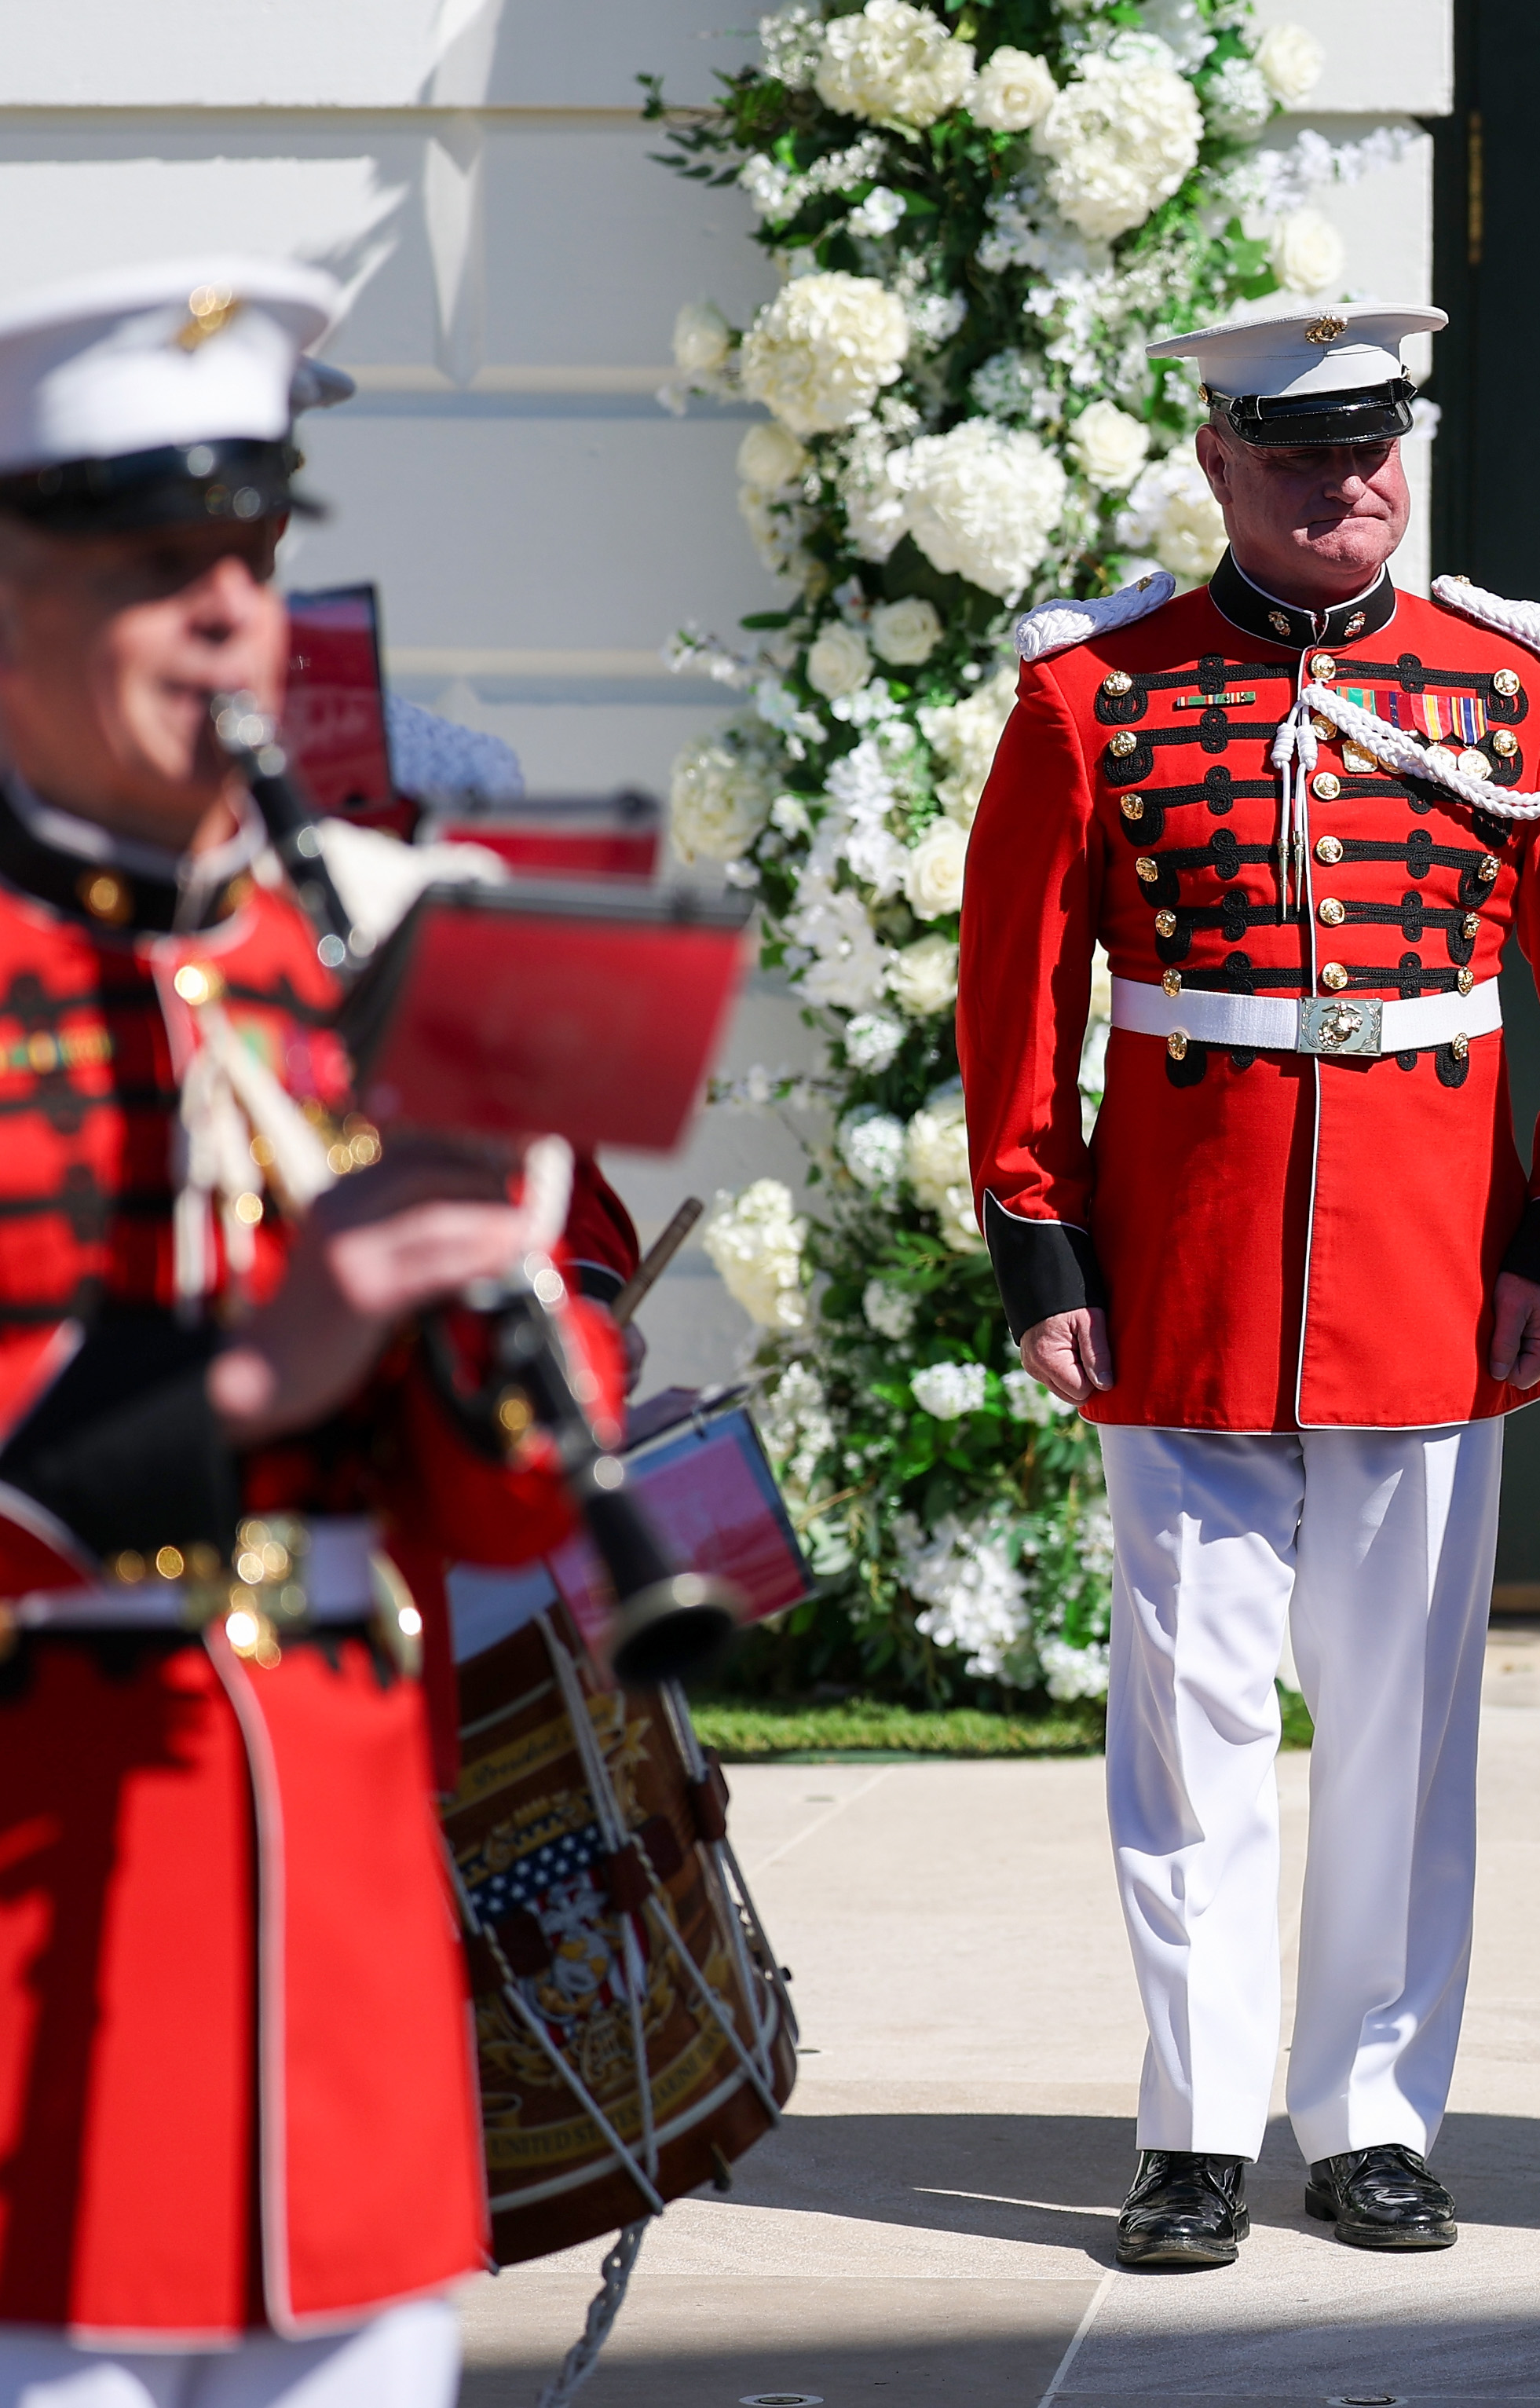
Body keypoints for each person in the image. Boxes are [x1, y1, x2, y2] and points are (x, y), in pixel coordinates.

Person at [960, 302, 1540, 2267]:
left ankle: (1368, 2115)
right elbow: (1017, 1004)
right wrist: (1040, 1241)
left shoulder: (1513, 690)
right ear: (1215, 462)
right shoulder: (1090, 697)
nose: (1349, 491)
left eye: (1376, 455)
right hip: (1180, 1278)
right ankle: (1194, 2128)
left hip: (1433, 1280)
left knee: (1399, 1727)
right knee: (1190, 1725)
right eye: (1301, 460)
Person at [0, 257, 630, 2405]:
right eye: (152, 564)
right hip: (38, 1957)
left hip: (338, 1954)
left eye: (254, 559)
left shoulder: (332, 945)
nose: (225, 617)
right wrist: (271, 1357)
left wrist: (504, 1316)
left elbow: (510, 1488)